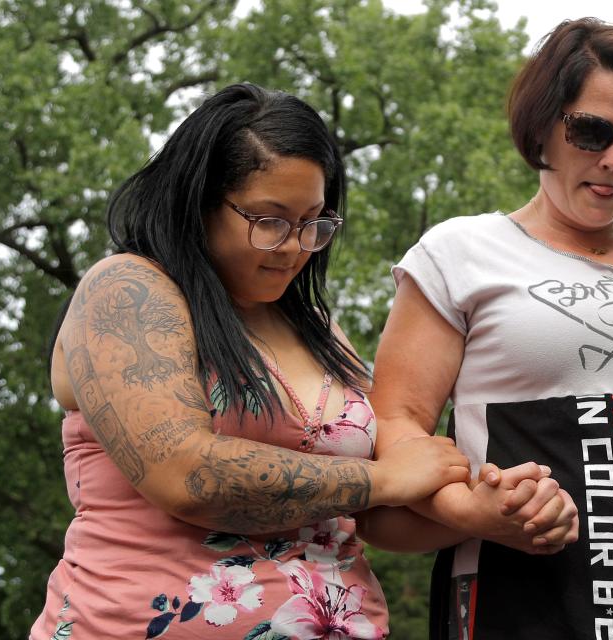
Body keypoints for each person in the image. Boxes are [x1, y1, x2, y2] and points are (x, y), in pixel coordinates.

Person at [30, 83, 489, 640]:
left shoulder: (319, 331)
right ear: (200, 200)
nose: (296, 246)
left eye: (314, 222)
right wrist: (382, 477)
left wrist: (482, 512)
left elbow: (371, 516)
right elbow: (186, 474)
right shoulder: (128, 289)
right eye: (270, 221)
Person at [371, 18, 613, 640]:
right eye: (590, 131)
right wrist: (472, 511)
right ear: (543, 126)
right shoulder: (460, 252)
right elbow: (393, 427)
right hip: (524, 596)